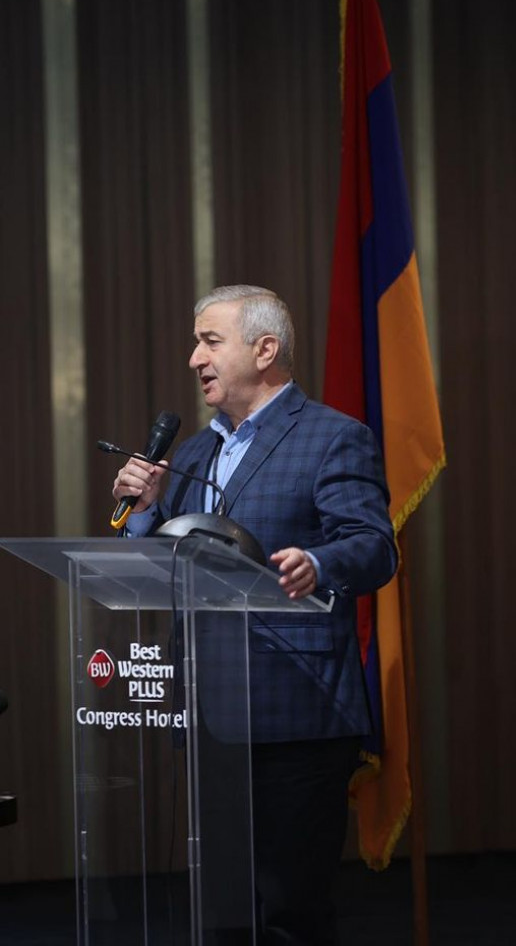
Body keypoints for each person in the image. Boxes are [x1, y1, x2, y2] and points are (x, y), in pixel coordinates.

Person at [112, 284, 398, 944]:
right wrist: (144, 512)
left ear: (265, 349)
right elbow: (168, 559)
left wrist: (318, 562)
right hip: (211, 715)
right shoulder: (192, 453)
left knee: (289, 914)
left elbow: (374, 545)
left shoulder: (332, 437)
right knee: (223, 913)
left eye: (210, 341)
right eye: (196, 343)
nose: (194, 358)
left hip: (297, 711)